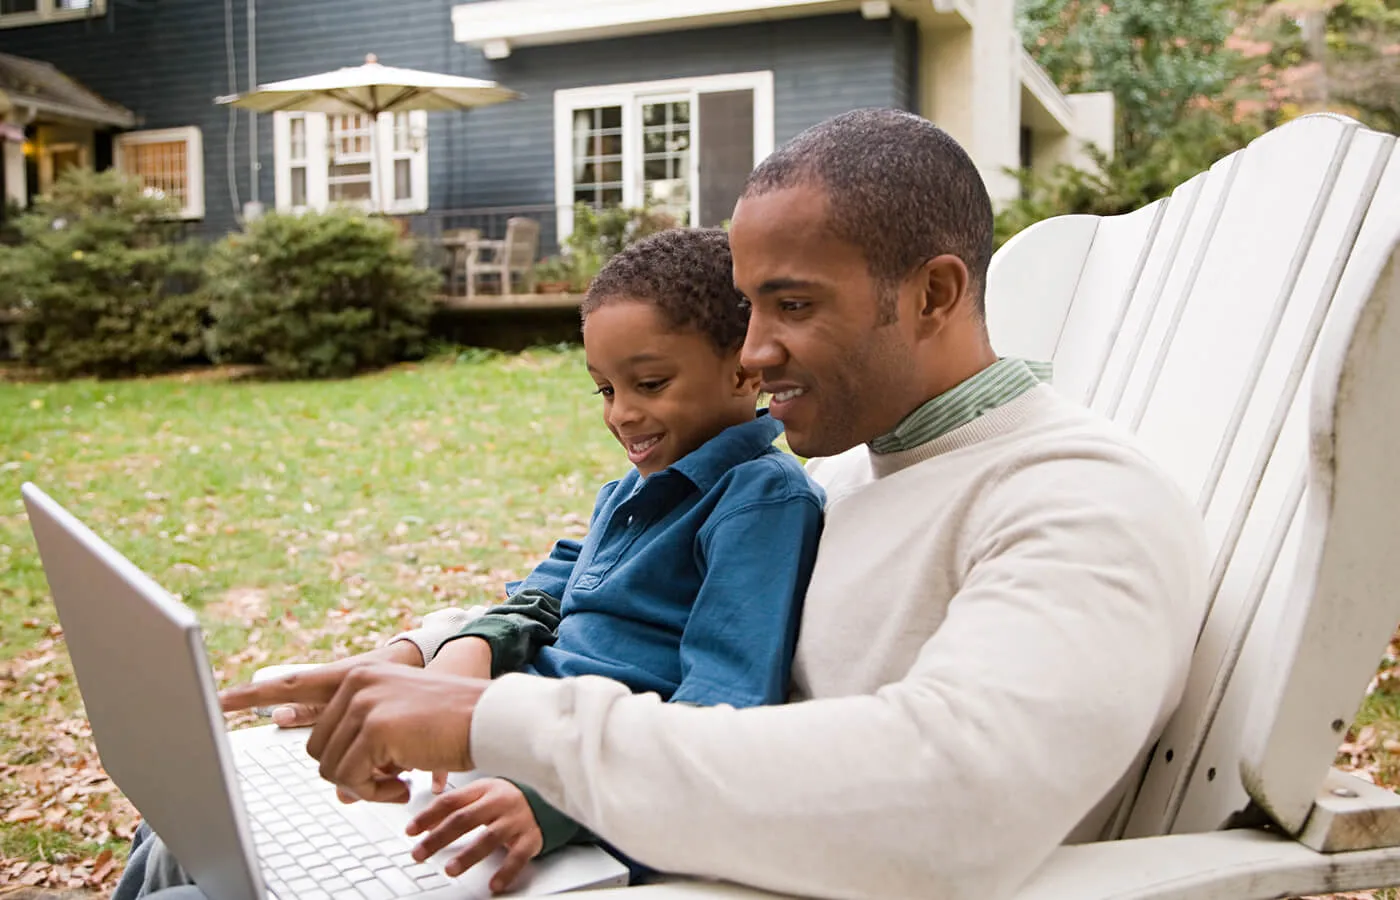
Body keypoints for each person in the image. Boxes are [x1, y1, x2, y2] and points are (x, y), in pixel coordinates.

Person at [222, 107, 1210, 900]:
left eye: (790, 305)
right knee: (210, 850)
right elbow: (625, 596)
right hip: (648, 854)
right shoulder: (852, 469)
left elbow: (953, 805)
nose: (747, 353)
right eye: (746, 309)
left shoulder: (1080, 502)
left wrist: (501, 724)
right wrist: (432, 653)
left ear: (931, 296)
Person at [113, 228, 825, 899]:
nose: (621, 415)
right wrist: (440, 657)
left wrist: (547, 807)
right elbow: (548, 589)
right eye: (606, 389)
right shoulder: (636, 489)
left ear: (742, 371)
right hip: (487, 745)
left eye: (649, 383)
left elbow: (724, 710)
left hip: (570, 807)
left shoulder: (759, 502)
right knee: (177, 834)